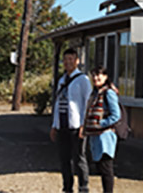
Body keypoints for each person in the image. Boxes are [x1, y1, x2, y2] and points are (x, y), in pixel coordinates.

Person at [48, 47, 90, 193]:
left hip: (76, 126)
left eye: (71, 59)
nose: (68, 62)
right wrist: (54, 125)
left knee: (79, 158)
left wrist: (84, 125)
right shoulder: (61, 80)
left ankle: (83, 188)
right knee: (64, 160)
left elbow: (87, 104)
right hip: (62, 125)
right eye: (65, 60)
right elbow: (57, 103)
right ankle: (67, 188)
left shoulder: (83, 80)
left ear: (77, 61)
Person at [85, 67, 122, 193]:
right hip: (95, 136)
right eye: (93, 76)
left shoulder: (108, 93)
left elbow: (116, 115)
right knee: (101, 168)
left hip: (105, 136)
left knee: (106, 169)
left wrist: (100, 123)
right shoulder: (95, 93)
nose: (96, 78)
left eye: (99, 75)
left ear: (106, 77)